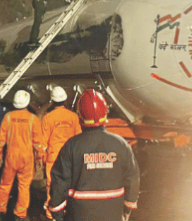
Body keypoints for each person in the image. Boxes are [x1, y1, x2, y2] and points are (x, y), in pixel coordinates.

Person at [48, 89, 139, 221]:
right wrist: (128, 207)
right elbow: (132, 177)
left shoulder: (71, 146)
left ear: (80, 116)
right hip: (113, 214)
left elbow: (60, 182)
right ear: (105, 113)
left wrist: (57, 212)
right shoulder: (121, 145)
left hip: (79, 214)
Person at [0, 90, 45, 221]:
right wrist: (40, 158)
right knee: (24, 187)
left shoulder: (8, 117)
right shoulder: (33, 119)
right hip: (26, 158)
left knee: (5, 184)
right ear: (27, 102)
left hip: (11, 156)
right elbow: (38, 143)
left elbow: (0, 139)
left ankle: (0, 210)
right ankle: (20, 214)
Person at [41, 87, 82, 219]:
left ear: (52, 101)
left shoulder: (47, 118)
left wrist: (42, 159)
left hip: (53, 157)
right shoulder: (73, 117)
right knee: (70, 185)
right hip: (69, 157)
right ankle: (67, 211)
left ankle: (51, 213)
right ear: (65, 100)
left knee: (52, 186)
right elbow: (78, 139)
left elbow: (43, 143)